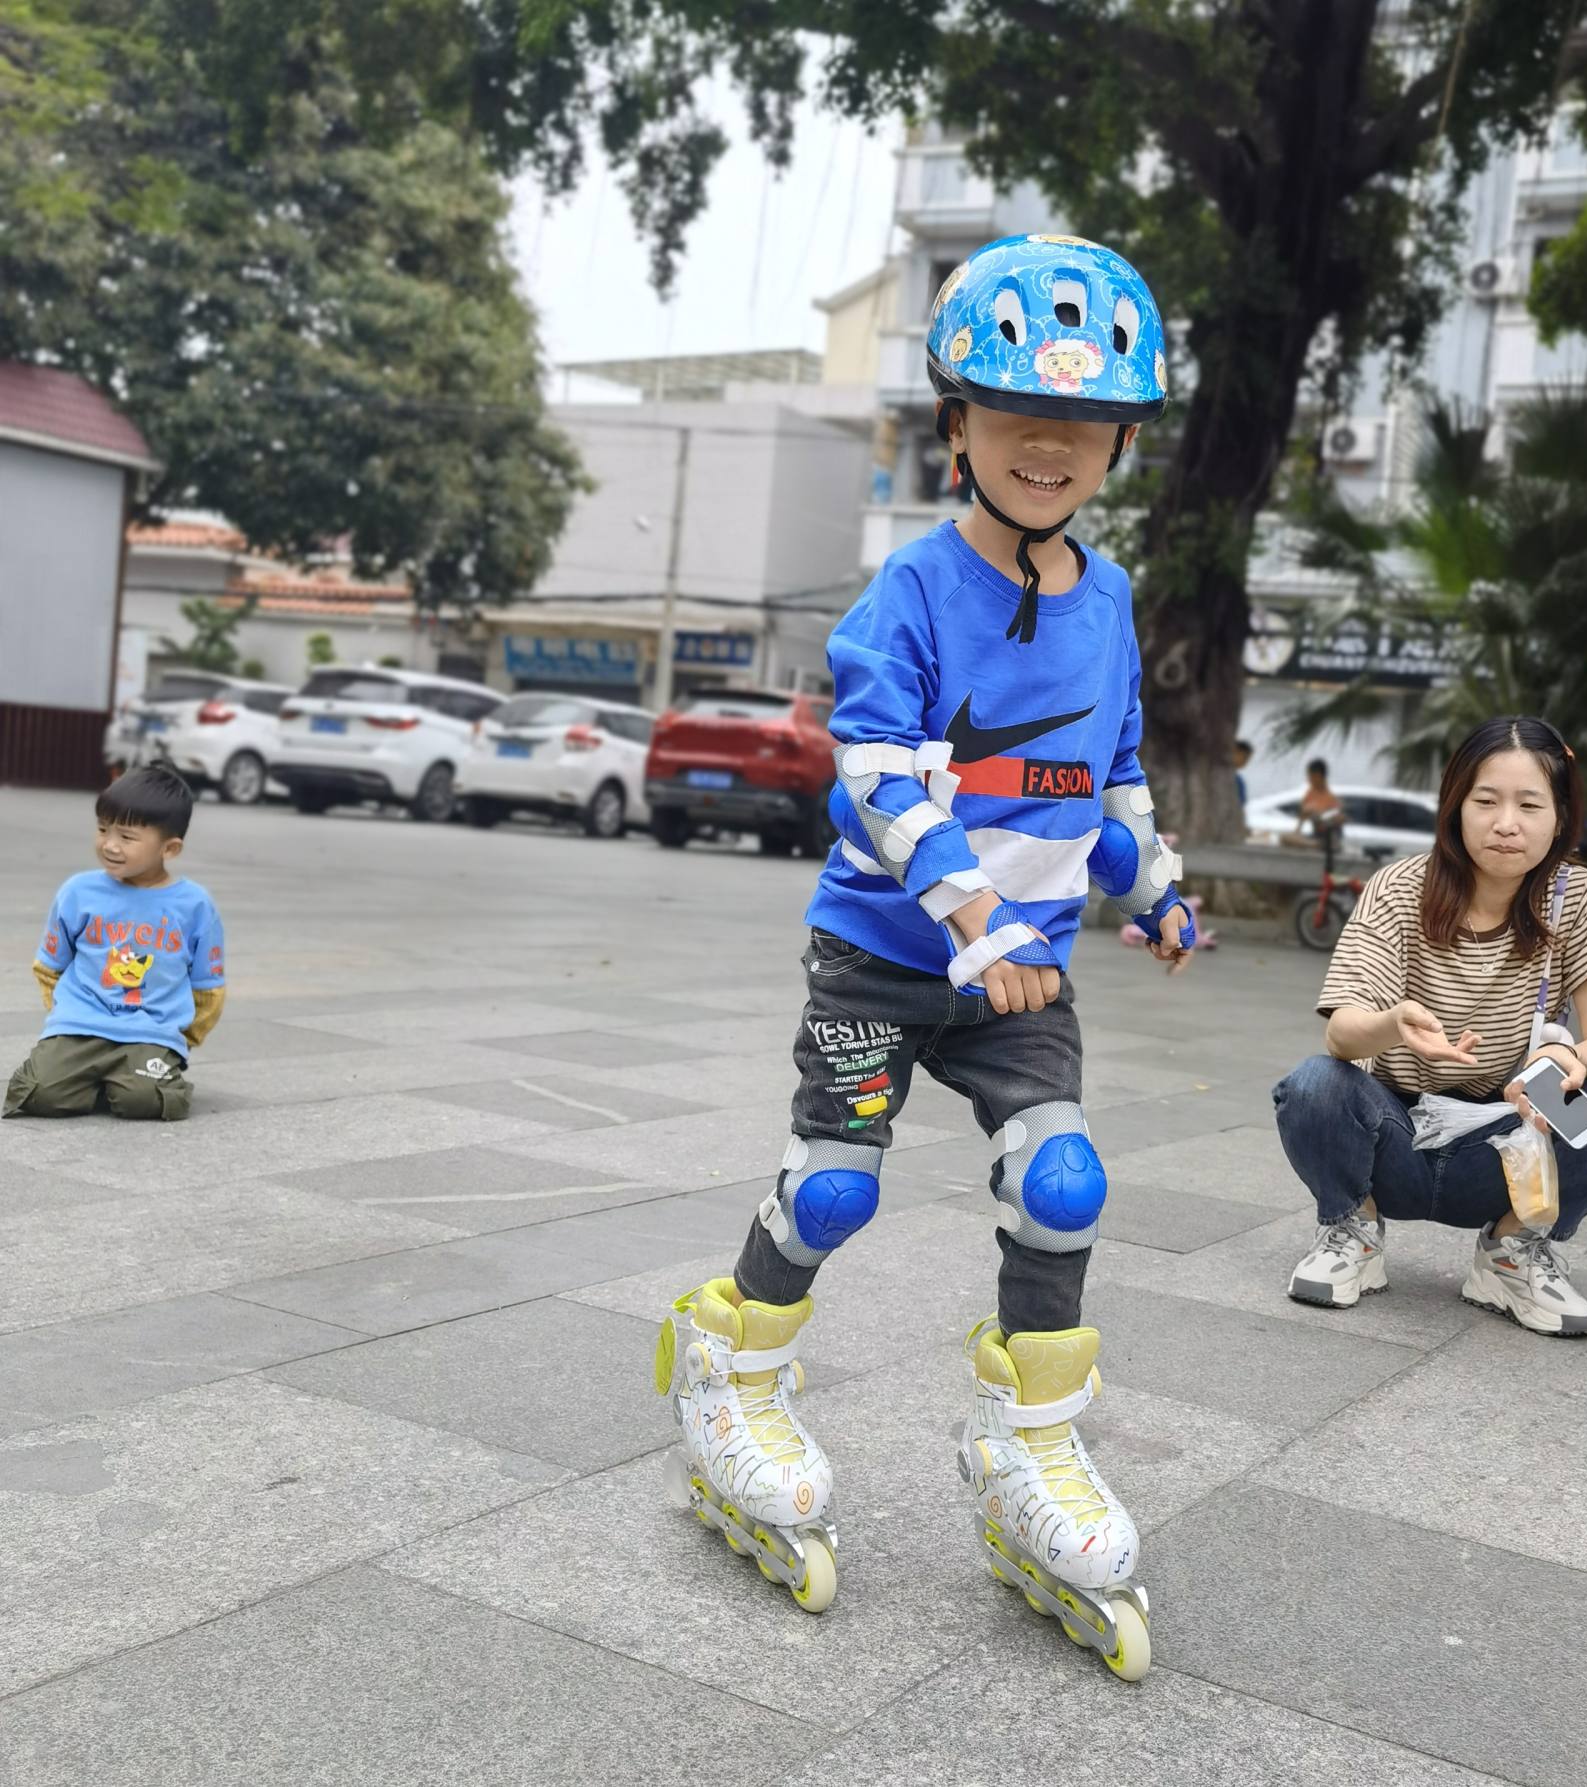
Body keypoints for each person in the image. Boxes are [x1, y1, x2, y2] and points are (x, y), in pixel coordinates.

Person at [655, 234, 1190, 1677]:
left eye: (1079, 422)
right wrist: (979, 916)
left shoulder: (1115, 597)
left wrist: (1154, 881)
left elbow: (1108, 771)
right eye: (1014, 414)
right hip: (886, 956)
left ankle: (1028, 1447)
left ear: (1118, 439)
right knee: (838, 1182)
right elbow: (879, 781)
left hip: (1024, 972)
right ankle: (731, 1371)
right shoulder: (906, 596)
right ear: (955, 423)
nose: (1047, 445)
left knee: (1064, 1178)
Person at [1272, 716, 1587, 1336]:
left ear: (1560, 818)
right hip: (1394, 1135)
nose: (1505, 822)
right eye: (1485, 801)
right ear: (1455, 806)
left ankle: (1512, 1253)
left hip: (1516, 1142)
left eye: (1529, 804)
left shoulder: (1581, 897)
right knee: (1314, 1085)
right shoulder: (1400, 887)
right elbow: (1342, 1034)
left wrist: (1574, 1063)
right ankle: (1355, 1229)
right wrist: (1395, 1025)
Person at [5, 765, 226, 1122]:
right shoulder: (78, 892)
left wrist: (180, 1036)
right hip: (79, 1025)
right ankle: (92, 1079)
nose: (109, 844)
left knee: (146, 1102)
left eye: (127, 836)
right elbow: (50, 966)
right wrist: (65, 1013)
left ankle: (141, 1078)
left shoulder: (195, 905)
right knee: (39, 1095)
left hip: (150, 1031)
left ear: (169, 848)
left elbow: (208, 987)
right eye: (102, 829)